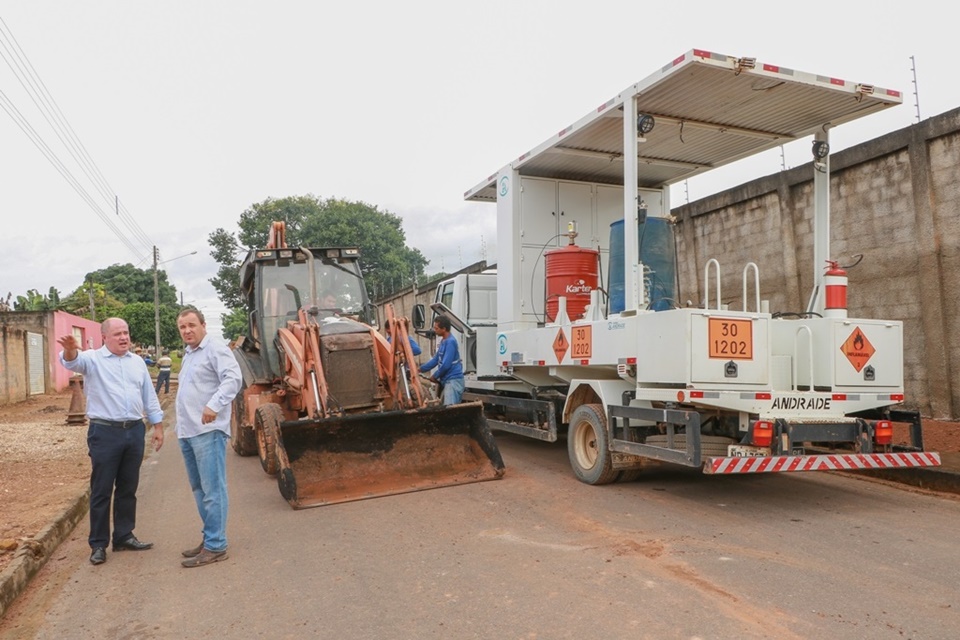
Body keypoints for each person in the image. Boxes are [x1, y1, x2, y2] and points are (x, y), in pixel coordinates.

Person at [57, 318, 164, 566]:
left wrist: (157, 426)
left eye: (126, 332)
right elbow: (72, 361)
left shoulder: (137, 362)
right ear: (104, 336)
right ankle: (98, 544)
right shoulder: (93, 359)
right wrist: (71, 349)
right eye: (117, 334)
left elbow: (149, 396)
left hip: (134, 431)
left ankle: (124, 535)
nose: (124, 337)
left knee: (128, 488)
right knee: (102, 490)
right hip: (105, 433)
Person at [174, 307, 242, 568]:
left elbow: (233, 378)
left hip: (207, 432)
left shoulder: (214, 348)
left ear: (203, 325)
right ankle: (210, 537)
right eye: (183, 327)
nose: (187, 331)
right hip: (188, 431)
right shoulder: (190, 354)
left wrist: (214, 405)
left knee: (213, 490)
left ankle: (216, 546)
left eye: (192, 325)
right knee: (199, 489)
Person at [418, 314, 464, 405]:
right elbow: (435, 360)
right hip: (447, 381)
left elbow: (446, 365)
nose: (435, 331)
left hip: (453, 381)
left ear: (444, 329)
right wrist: (420, 369)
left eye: (436, 328)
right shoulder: (444, 341)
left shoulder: (451, 342)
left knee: (449, 411)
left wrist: (435, 375)